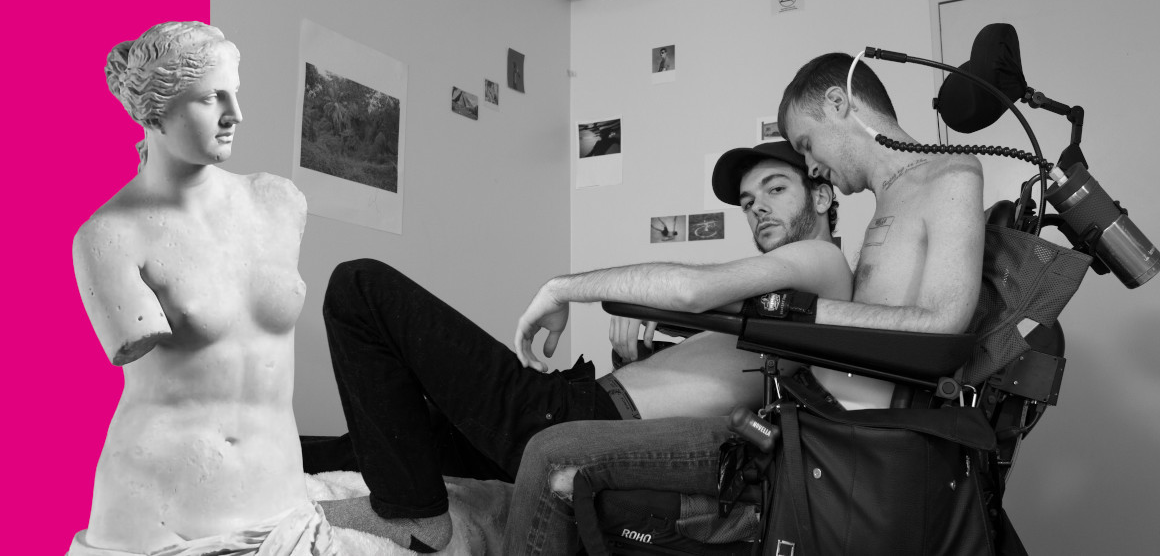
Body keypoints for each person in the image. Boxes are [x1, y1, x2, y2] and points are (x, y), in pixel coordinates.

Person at [504, 51, 986, 554]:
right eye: (749, 202)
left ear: (840, 104)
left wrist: (794, 311)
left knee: (550, 453)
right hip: (800, 423)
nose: (813, 162)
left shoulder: (948, 177)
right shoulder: (888, 203)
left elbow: (941, 328)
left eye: (806, 145)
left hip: (837, 444)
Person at [303, 140, 852, 553]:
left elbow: (689, 289)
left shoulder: (821, 262)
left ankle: (413, 515)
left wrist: (562, 287)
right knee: (395, 431)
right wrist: (642, 360)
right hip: (589, 397)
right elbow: (722, 370)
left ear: (823, 194)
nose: (756, 208)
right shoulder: (779, 298)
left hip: (580, 416)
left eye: (776, 189)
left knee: (361, 288)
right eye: (748, 200)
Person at [69, 22, 335, 555]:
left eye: (236, 93)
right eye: (213, 97)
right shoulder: (109, 235)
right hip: (158, 516)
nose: (236, 114)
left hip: (282, 505)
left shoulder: (279, 203)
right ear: (155, 110)